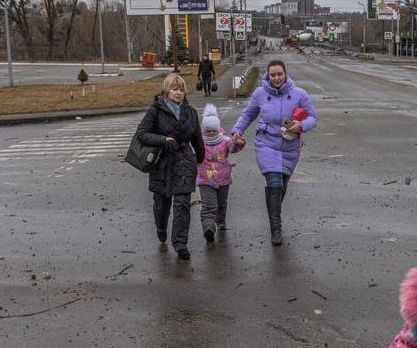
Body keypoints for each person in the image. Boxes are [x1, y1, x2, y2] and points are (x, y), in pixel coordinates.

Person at [231, 59, 317, 246]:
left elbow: (313, 117)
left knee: (281, 186)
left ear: (285, 74)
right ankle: (276, 229)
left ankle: (274, 215)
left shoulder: (299, 94)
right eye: (273, 75)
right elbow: (248, 114)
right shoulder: (260, 93)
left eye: (279, 74)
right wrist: (237, 131)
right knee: (274, 181)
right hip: (266, 143)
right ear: (268, 76)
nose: (276, 78)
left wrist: (301, 125)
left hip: (289, 146)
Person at [135, 73, 205, 260]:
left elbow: (197, 137)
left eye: (181, 89)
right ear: (166, 90)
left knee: (182, 204)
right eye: (174, 89)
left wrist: (201, 156)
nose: (178, 93)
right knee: (162, 203)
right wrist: (163, 139)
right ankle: (161, 227)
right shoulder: (156, 110)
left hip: (184, 161)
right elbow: (142, 134)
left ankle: (180, 244)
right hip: (162, 163)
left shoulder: (190, 112)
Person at [195, 104, 243, 243]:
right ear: (203, 131)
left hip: (223, 179)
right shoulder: (199, 143)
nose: (210, 133)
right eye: (207, 131)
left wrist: (238, 143)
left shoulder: (225, 141)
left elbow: (233, 148)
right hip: (205, 180)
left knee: (221, 204)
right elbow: (191, 153)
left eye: (213, 130)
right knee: (209, 206)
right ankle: (208, 228)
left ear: (218, 129)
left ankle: (220, 221)